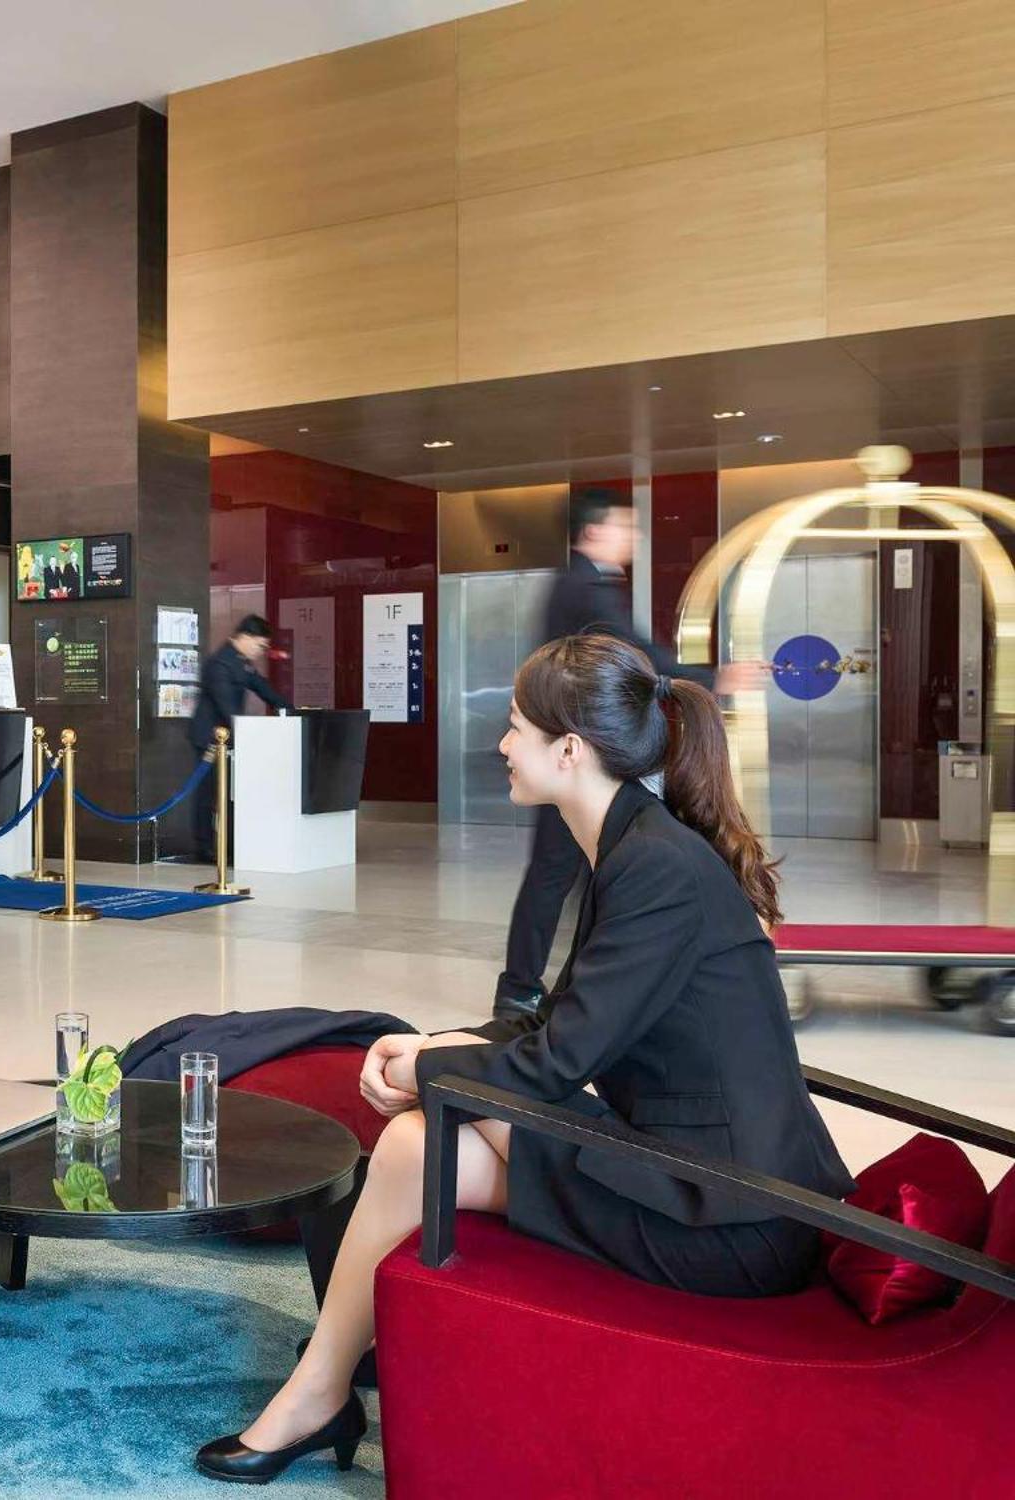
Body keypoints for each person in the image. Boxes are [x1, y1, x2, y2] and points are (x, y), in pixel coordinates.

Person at [193, 633, 854, 1483]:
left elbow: (555, 1064)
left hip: (733, 1221)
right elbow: (562, 1028)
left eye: (515, 728)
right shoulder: (634, 848)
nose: (501, 746)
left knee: (422, 1126)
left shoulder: (655, 868)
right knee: (412, 1145)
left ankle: (322, 1389)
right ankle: (326, 1381)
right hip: (697, 1182)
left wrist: (422, 1073)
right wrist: (429, 1047)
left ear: (569, 750)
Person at [497, 488, 759, 1018]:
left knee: (571, 869)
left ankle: (542, 983)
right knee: (556, 870)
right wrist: (713, 678)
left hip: (577, 750)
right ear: (593, 531)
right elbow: (636, 656)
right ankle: (519, 988)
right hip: (573, 754)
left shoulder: (584, 582)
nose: (632, 537)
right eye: (624, 526)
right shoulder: (584, 585)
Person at [187, 614, 292, 863]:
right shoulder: (220, 664)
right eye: (260, 645)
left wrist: (290, 709)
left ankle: (229, 844)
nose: (260, 651)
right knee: (208, 795)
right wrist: (247, 731)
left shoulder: (241, 662)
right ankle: (205, 848)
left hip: (229, 738)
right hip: (210, 739)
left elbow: (262, 687)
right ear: (245, 637)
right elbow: (226, 707)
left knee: (229, 794)